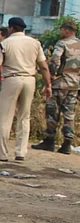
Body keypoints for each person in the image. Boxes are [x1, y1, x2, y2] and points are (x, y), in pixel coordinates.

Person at [0, 17, 51, 162]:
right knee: (24, 116)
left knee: (4, 117)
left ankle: (2, 154)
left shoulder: (4, 43)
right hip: (29, 79)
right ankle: (21, 152)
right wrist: (48, 84)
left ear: (11, 28)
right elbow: (43, 66)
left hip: (11, 79)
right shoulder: (35, 43)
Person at [33, 19, 79, 154]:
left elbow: (54, 60)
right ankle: (67, 143)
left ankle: (49, 140)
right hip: (74, 84)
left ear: (66, 30)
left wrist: (51, 76)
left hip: (60, 83)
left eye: (61, 29)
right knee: (69, 114)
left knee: (52, 112)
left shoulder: (62, 43)